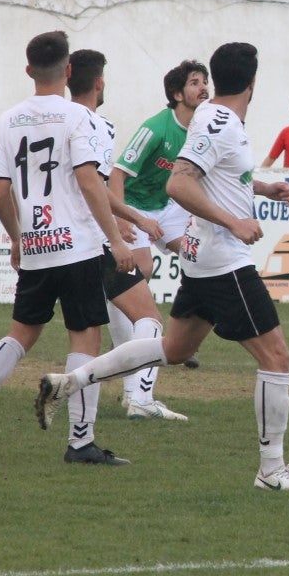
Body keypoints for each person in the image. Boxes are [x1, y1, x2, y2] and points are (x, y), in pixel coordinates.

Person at [35, 42, 289, 491]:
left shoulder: (213, 117)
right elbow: (179, 182)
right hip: (224, 260)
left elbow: (218, 176)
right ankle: (271, 471)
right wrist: (234, 222)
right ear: (252, 83)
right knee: (277, 358)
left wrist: (263, 188)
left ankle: (70, 381)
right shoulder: (222, 120)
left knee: (174, 349)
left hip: (205, 256)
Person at [0, 31, 135, 465]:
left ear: (29, 70)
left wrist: (17, 237)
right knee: (85, 335)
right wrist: (117, 239)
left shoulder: (8, 120)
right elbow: (90, 182)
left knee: (20, 334)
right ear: (68, 72)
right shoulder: (77, 117)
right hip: (79, 246)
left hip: (36, 246)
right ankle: (80, 441)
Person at [66, 50, 186, 422]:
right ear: (99, 82)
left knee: (32, 336)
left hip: (56, 244)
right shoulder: (98, 125)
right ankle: (138, 396)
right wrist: (123, 225)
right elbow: (97, 184)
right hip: (93, 241)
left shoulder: (46, 120)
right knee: (148, 317)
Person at [110, 60, 210, 370]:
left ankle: (181, 342)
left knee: (199, 257)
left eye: (205, 81)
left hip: (169, 206)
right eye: (195, 82)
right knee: (141, 267)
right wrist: (123, 219)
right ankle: (125, 341)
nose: (204, 87)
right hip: (136, 203)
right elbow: (116, 174)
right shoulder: (156, 128)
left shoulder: (203, 128)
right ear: (177, 93)